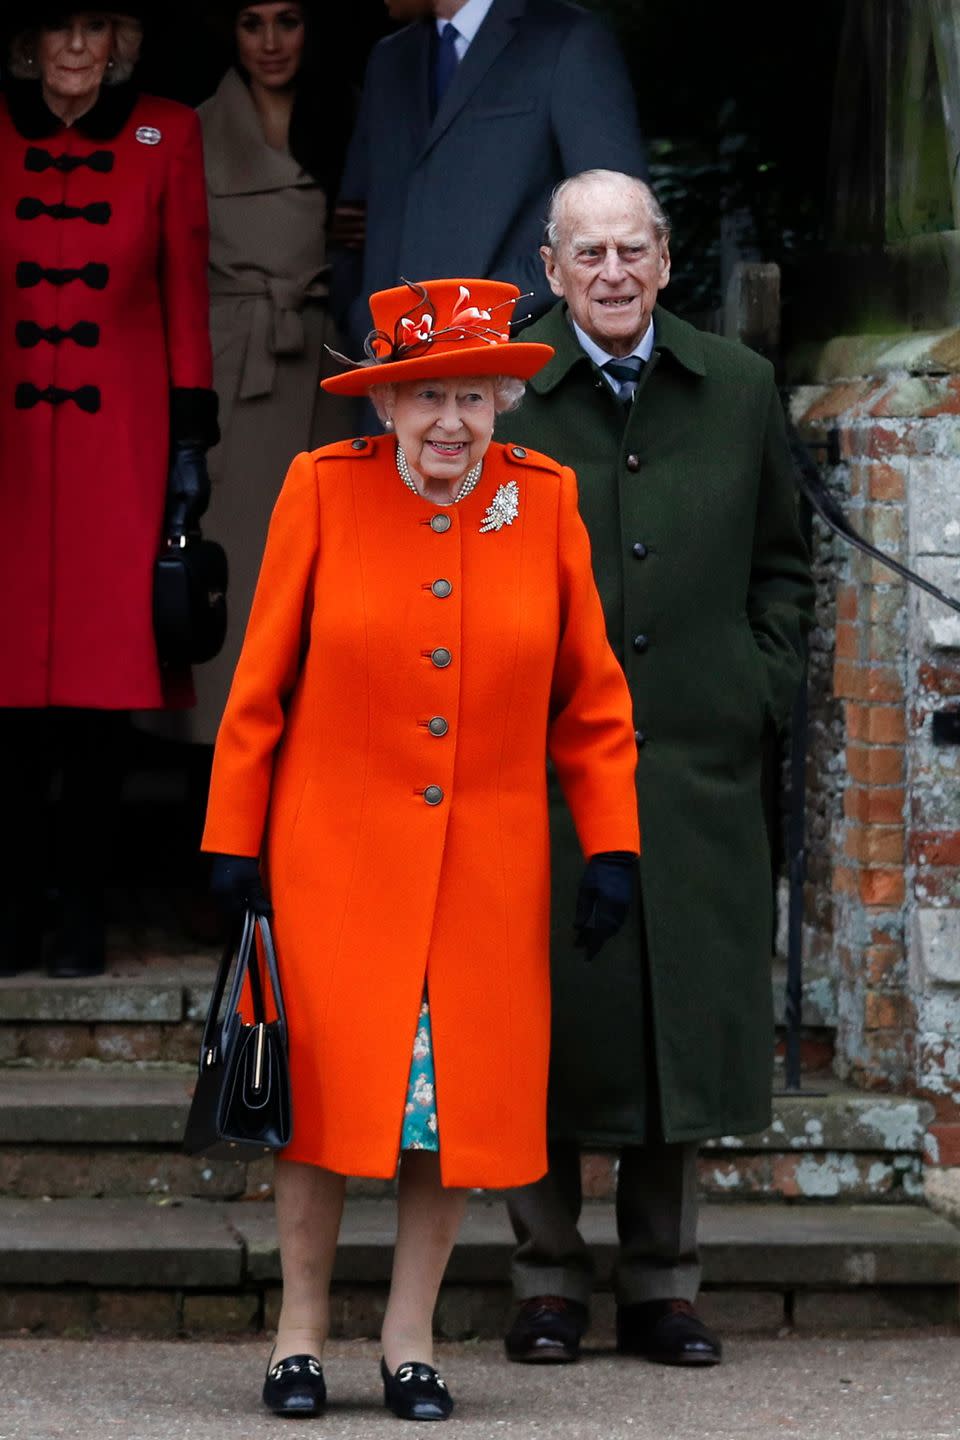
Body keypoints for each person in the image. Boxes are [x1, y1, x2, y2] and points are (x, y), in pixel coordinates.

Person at [201, 276, 641, 1419]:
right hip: (329, 858)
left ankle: (411, 1339)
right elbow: (261, 679)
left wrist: (613, 846)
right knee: (318, 1101)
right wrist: (231, 836)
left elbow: (592, 700)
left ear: (505, 400)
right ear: (387, 406)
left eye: (474, 399)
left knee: (441, 1115)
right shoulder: (321, 488)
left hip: (484, 871)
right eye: (425, 397)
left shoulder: (544, 501)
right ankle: (298, 1335)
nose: (452, 422)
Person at [497, 170, 816, 1368]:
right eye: (591, 255)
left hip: (696, 762)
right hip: (544, 768)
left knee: (678, 1017)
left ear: (668, 258)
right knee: (547, 1018)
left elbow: (782, 563)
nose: (615, 273)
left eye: (634, 250)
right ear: (552, 270)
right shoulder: (509, 391)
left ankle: (662, 1285)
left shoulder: (737, 388)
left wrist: (756, 682)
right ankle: (543, 1280)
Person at [0, 6, 217, 978]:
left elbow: (184, 297)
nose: (78, 49)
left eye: (96, 29)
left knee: (100, 698)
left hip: (120, 450)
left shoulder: (168, 133)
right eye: (58, 30)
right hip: (8, 456)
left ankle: (83, 914)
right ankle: (11, 912)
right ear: (28, 46)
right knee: (6, 700)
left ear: (122, 42)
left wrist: (190, 447)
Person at [161, 2, 355, 917]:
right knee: (235, 614)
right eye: (250, 22)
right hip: (236, 379)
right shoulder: (195, 128)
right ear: (227, 35)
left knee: (324, 604)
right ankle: (219, 859)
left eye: (289, 19)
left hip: (323, 370)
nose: (273, 40)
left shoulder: (348, 116)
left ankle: (305, 857)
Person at [330, 0, 647, 354]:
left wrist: (477, 316)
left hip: (513, 373)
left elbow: (617, 221)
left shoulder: (567, 39)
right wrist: (360, 319)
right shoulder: (388, 59)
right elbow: (352, 222)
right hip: (389, 373)